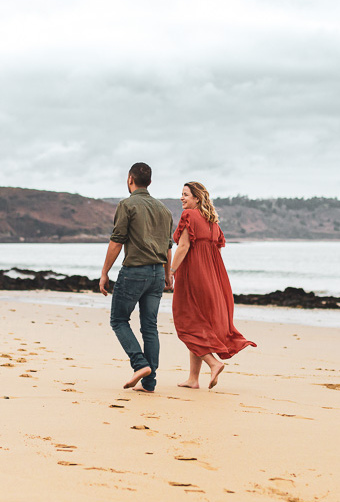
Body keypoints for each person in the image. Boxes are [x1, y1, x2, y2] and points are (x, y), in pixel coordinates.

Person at [170, 181, 255, 389]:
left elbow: (183, 246)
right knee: (198, 325)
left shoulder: (188, 216)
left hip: (193, 277)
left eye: (186, 195)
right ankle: (193, 379)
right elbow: (213, 252)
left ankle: (213, 362)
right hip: (214, 280)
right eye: (181, 194)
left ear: (197, 198)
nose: (182, 198)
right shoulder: (213, 221)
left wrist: (171, 272)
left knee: (187, 323)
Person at [99, 162, 174, 392]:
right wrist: (168, 275)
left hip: (134, 272)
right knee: (149, 327)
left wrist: (104, 273)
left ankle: (140, 364)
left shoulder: (126, 205)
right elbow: (167, 246)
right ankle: (149, 383)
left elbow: (117, 241)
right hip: (156, 274)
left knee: (119, 320)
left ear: (130, 179)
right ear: (149, 182)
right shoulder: (164, 210)